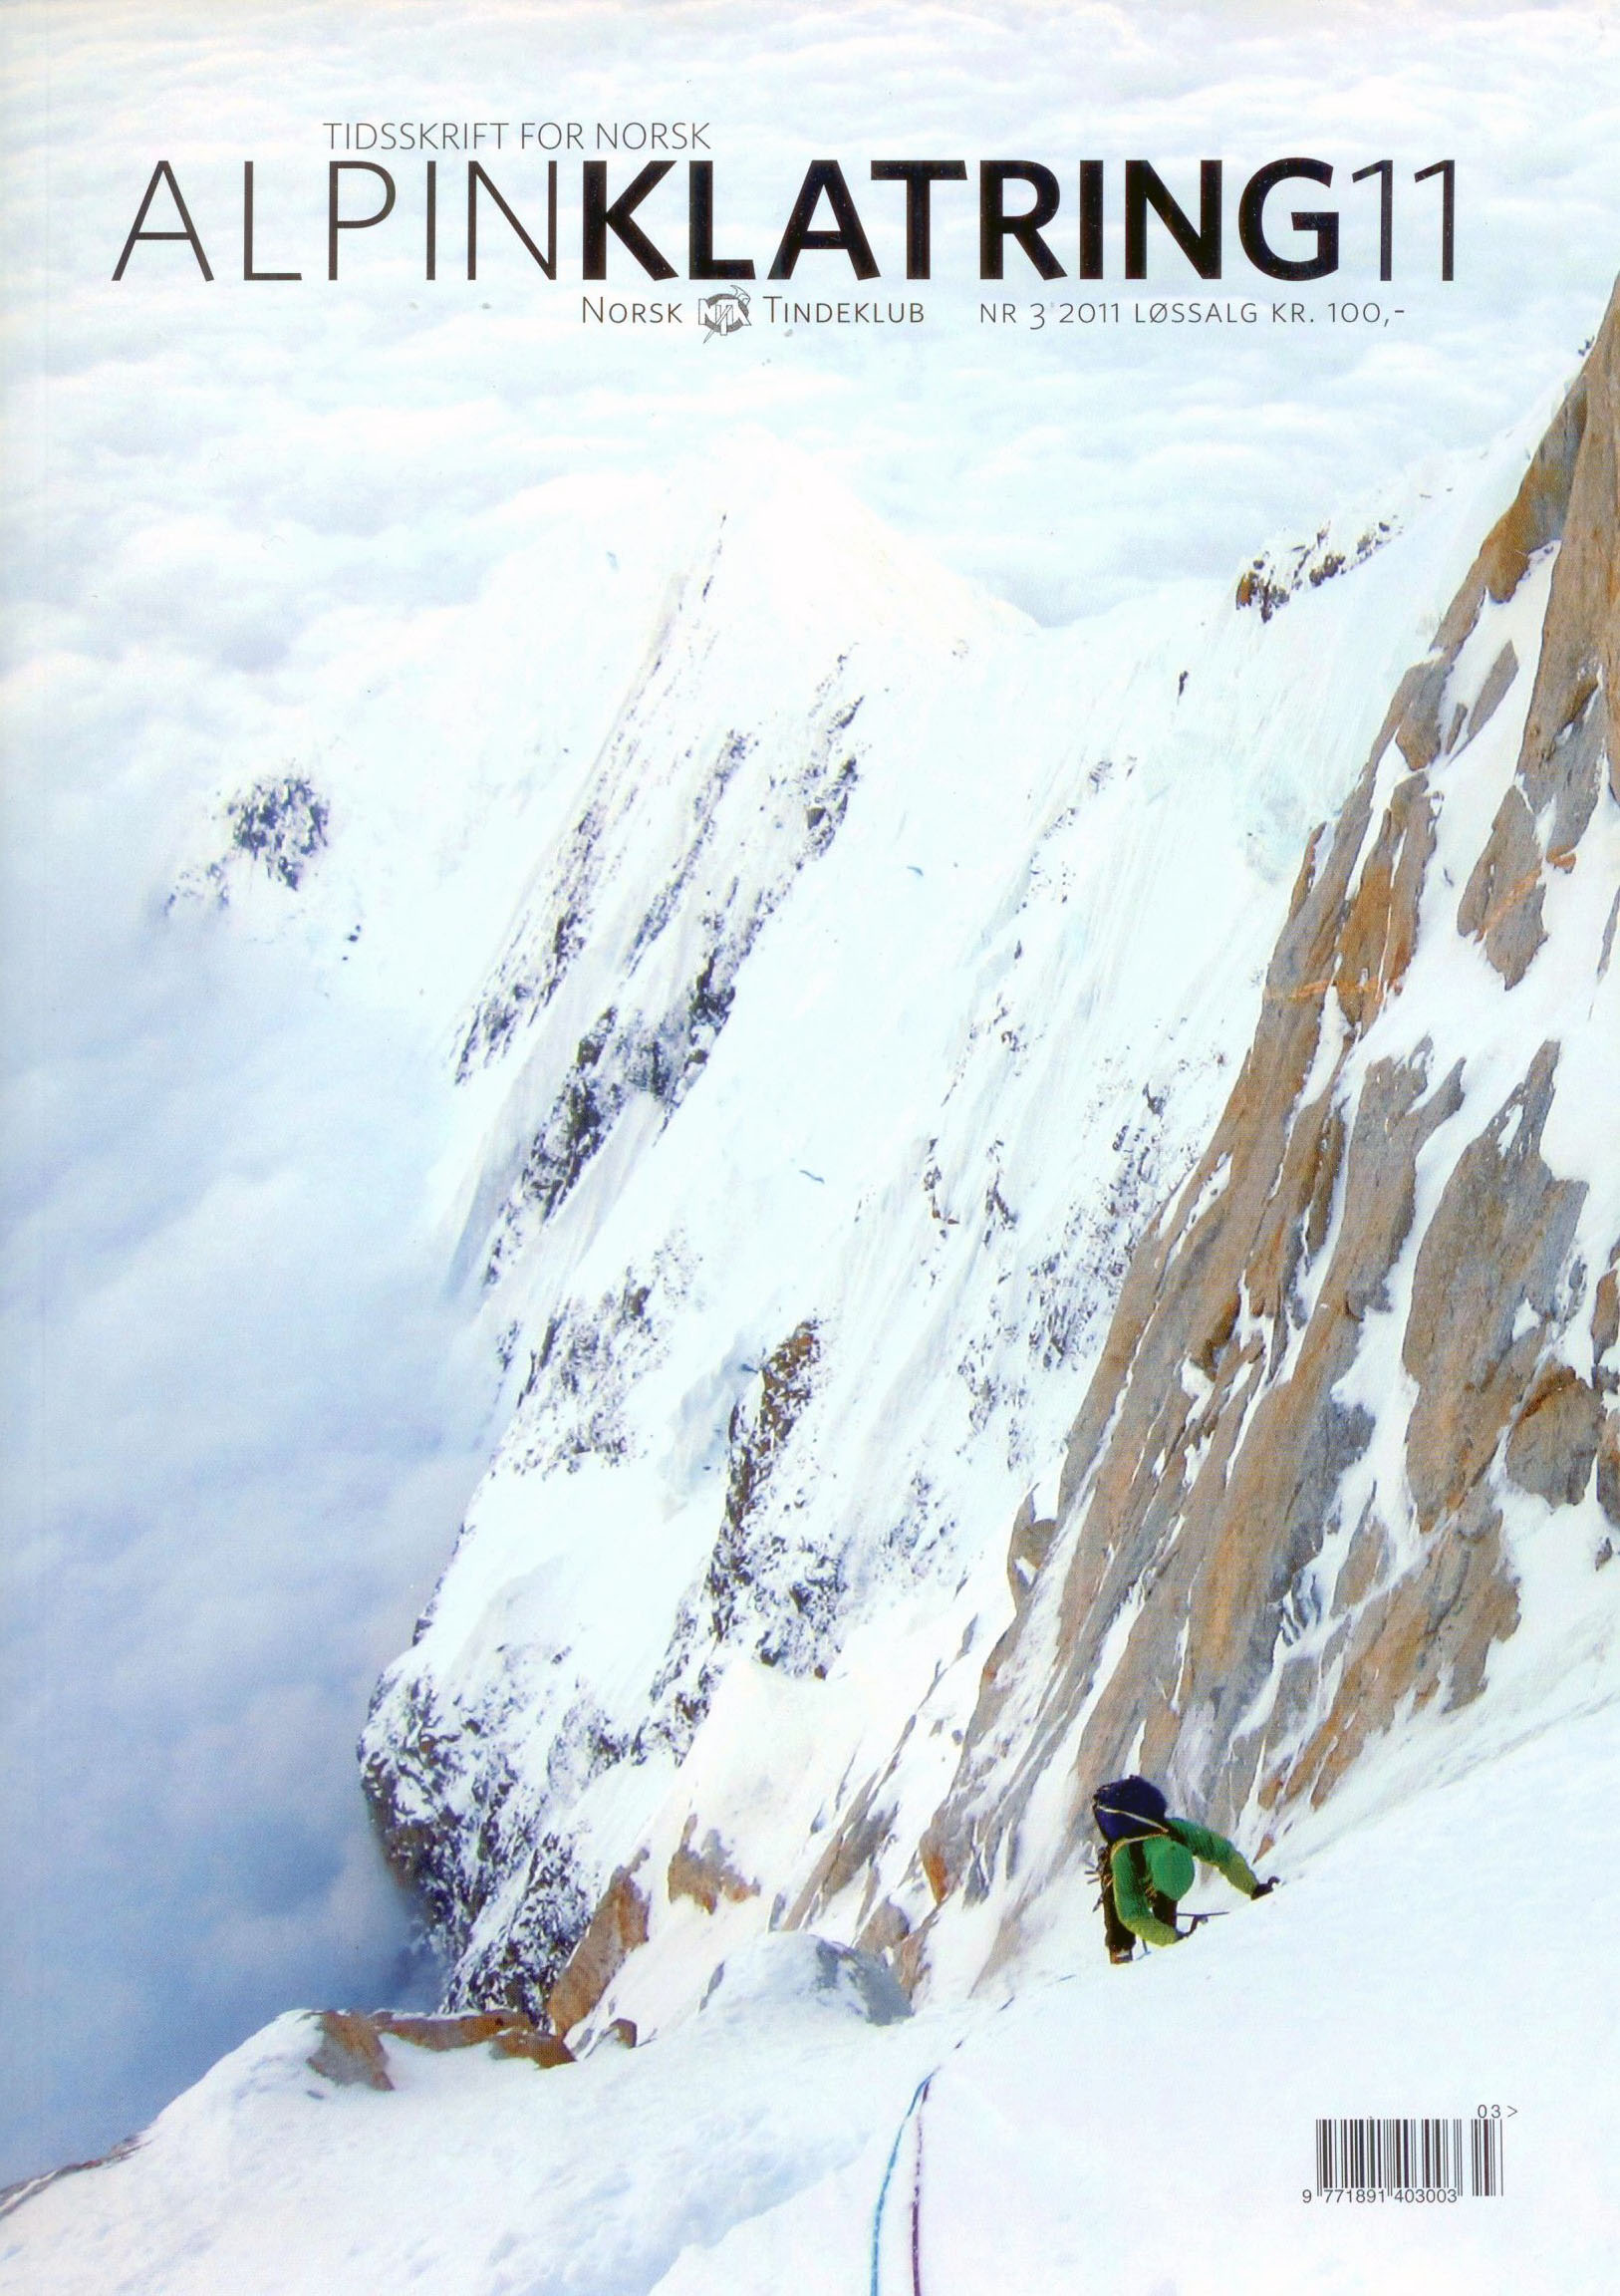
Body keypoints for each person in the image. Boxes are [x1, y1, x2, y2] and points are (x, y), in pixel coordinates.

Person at [1092, 1774, 1275, 1962]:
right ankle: (1120, 1950)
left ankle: (1161, 1929)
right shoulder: (1124, 1856)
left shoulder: (1177, 1832)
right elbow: (1131, 1913)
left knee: (1165, 1923)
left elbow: (1224, 1854)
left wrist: (1253, 1888)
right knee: (1117, 1904)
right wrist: (1173, 1938)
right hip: (1126, 1882)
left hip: (1158, 1875)